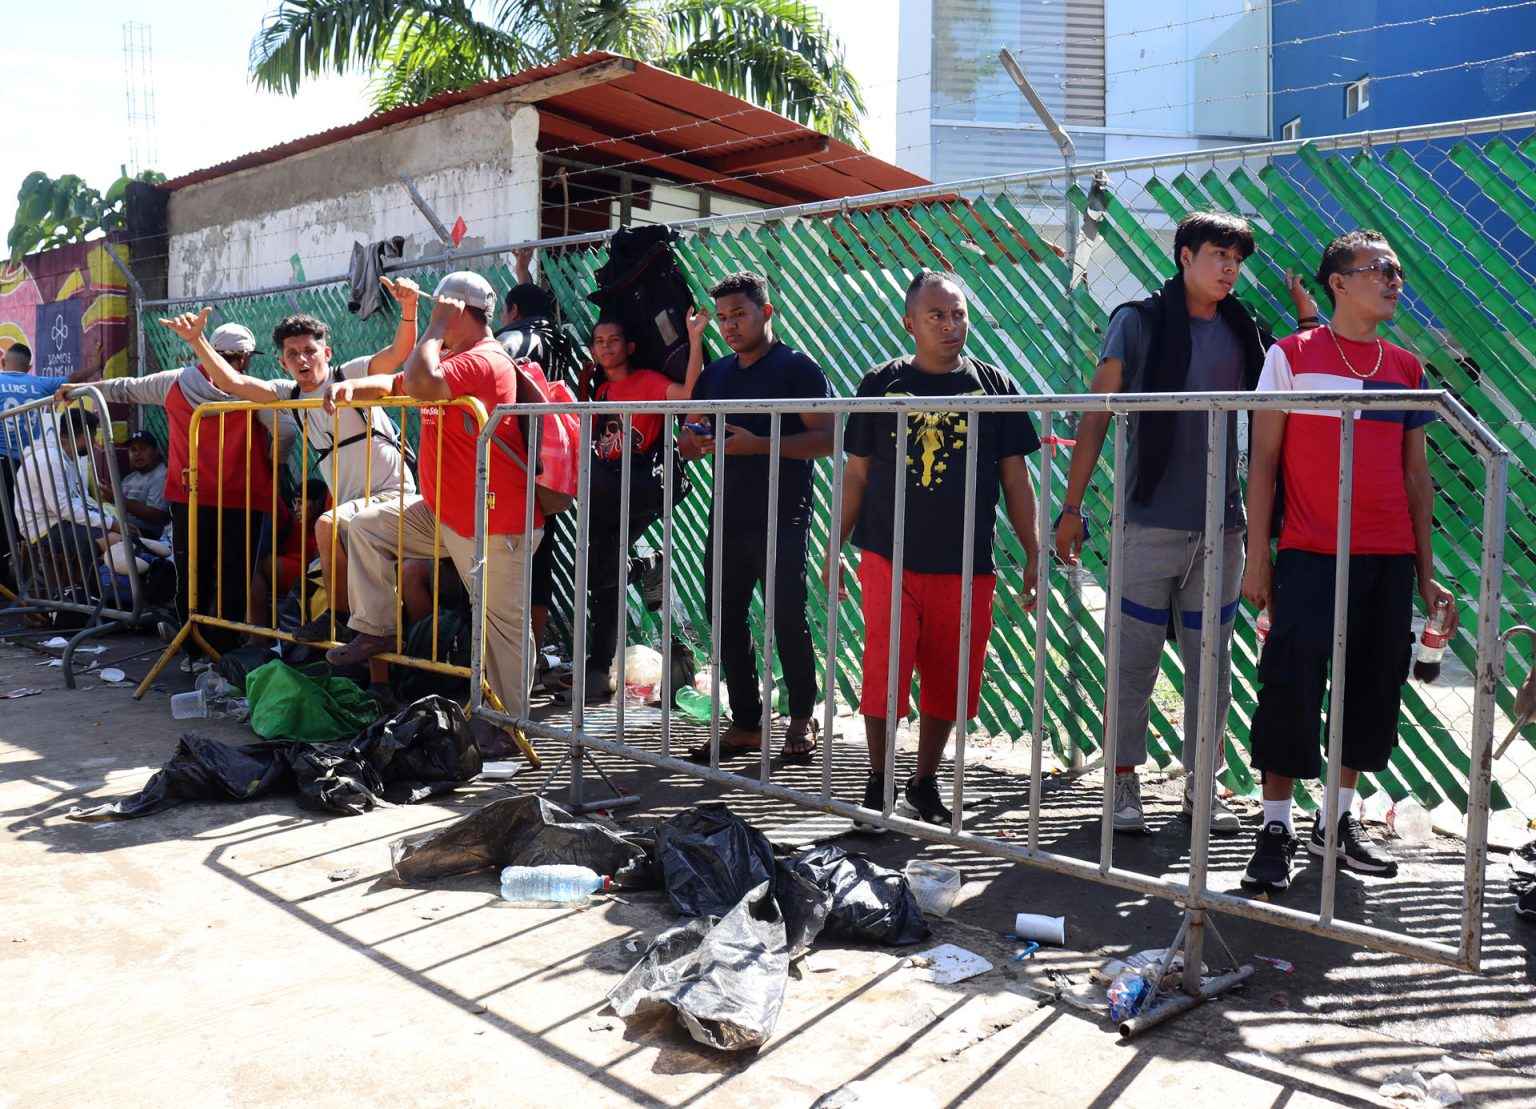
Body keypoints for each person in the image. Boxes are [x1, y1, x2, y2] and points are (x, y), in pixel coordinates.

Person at [1240, 230, 1457, 893]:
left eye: (1396, 269)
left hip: (1387, 558)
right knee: (1290, 685)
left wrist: (1424, 569)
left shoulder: (1406, 367)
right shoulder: (1291, 356)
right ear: (1337, 282)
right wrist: (1258, 555)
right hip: (1309, 551)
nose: (1394, 279)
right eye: (1379, 269)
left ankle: (1335, 823)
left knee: (1370, 689)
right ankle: (1275, 825)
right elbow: (1265, 460)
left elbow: (1416, 476)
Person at [1054, 211, 1267, 837]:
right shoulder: (1138, 321)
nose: (1229, 268)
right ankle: (1123, 783)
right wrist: (1072, 506)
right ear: (1183, 256)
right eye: (1218, 255)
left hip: (1222, 527)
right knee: (1133, 662)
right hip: (1148, 524)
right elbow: (1096, 414)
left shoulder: (1242, 330)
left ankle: (1203, 786)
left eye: (1237, 258)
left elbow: (1280, 401)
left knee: (1212, 664)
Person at [827, 271, 1041, 825]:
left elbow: (1016, 479)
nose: (950, 326)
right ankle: (878, 782)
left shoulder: (994, 385)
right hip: (887, 554)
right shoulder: (881, 383)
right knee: (884, 674)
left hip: (966, 561)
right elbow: (856, 473)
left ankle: (923, 782)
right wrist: (833, 547)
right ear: (910, 323)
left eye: (958, 315)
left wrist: (1034, 550)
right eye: (936, 316)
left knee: (951, 678)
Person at [323, 272, 544, 718]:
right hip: (444, 513)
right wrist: (350, 388)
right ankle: (378, 629)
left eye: (439, 309)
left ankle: (509, 726)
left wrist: (435, 325)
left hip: (494, 520)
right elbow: (395, 385)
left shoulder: (484, 359)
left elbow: (420, 382)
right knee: (366, 526)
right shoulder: (449, 362)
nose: (433, 321)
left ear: (456, 310)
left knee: (503, 631)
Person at [159, 279, 420, 645]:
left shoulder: (351, 375)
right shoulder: (290, 394)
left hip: (392, 498)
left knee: (326, 527)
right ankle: (373, 676)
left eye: (310, 350)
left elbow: (399, 352)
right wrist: (196, 341)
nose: (302, 358)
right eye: (292, 353)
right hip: (353, 509)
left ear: (326, 354)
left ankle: (337, 617)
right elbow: (231, 381)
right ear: (282, 361)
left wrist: (409, 309)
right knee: (361, 585)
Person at [680, 271, 834, 764]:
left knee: (787, 617)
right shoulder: (716, 373)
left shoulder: (797, 368)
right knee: (724, 618)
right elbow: (688, 436)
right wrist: (694, 443)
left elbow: (829, 439)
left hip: (783, 514)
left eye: (739, 314)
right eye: (722, 317)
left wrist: (759, 444)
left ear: (766, 312)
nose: (728, 325)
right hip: (727, 512)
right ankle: (745, 723)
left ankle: (800, 717)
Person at [83, 322, 297, 664]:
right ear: (245, 358)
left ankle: (192, 648)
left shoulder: (176, 381)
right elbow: (285, 429)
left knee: (191, 572)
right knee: (234, 576)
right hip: (242, 498)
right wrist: (274, 464)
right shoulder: (254, 389)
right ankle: (222, 650)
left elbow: (126, 388)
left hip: (190, 495)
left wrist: (80, 388)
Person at [564, 314, 703, 700]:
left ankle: (597, 667)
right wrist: (583, 386)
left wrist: (694, 340)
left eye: (614, 339)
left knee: (602, 572)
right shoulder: (602, 391)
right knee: (599, 575)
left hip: (640, 489)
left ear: (630, 347)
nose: (606, 346)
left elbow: (691, 392)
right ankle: (646, 567)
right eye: (599, 340)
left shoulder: (648, 382)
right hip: (604, 492)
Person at [496, 246, 566, 684]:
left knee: (506, 563)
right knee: (541, 564)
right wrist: (522, 269)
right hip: (553, 464)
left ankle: (510, 667)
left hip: (511, 462)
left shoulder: (510, 341)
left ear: (513, 310)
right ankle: (534, 660)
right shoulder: (560, 338)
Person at [1, 342, 93, 590]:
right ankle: (19, 583)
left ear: (2, 363)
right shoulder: (39, 383)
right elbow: (73, 379)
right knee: (17, 525)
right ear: (29, 367)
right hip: (22, 464)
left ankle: (11, 584)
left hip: (1, 461)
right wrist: (96, 364)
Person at [10, 407, 125, 597]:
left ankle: (99, 596)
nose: (95, 441)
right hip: (46, 528)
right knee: (115, 541)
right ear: (84, 434)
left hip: (60, 522)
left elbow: (75, 502)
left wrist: (108, 519)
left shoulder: (63, 457)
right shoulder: (51, 459)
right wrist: (111, 524)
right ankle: (97, 597)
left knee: (118, 537)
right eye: (93, 435)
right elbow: (64, 508)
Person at [115, 432, 170, 541]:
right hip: (119, 527)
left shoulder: (161, 475)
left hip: (143, 534)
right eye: (133, 450)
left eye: (143, 448)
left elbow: (157, 517)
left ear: (156, 452)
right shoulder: (130, 478)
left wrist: (118, 499)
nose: (137, 453)